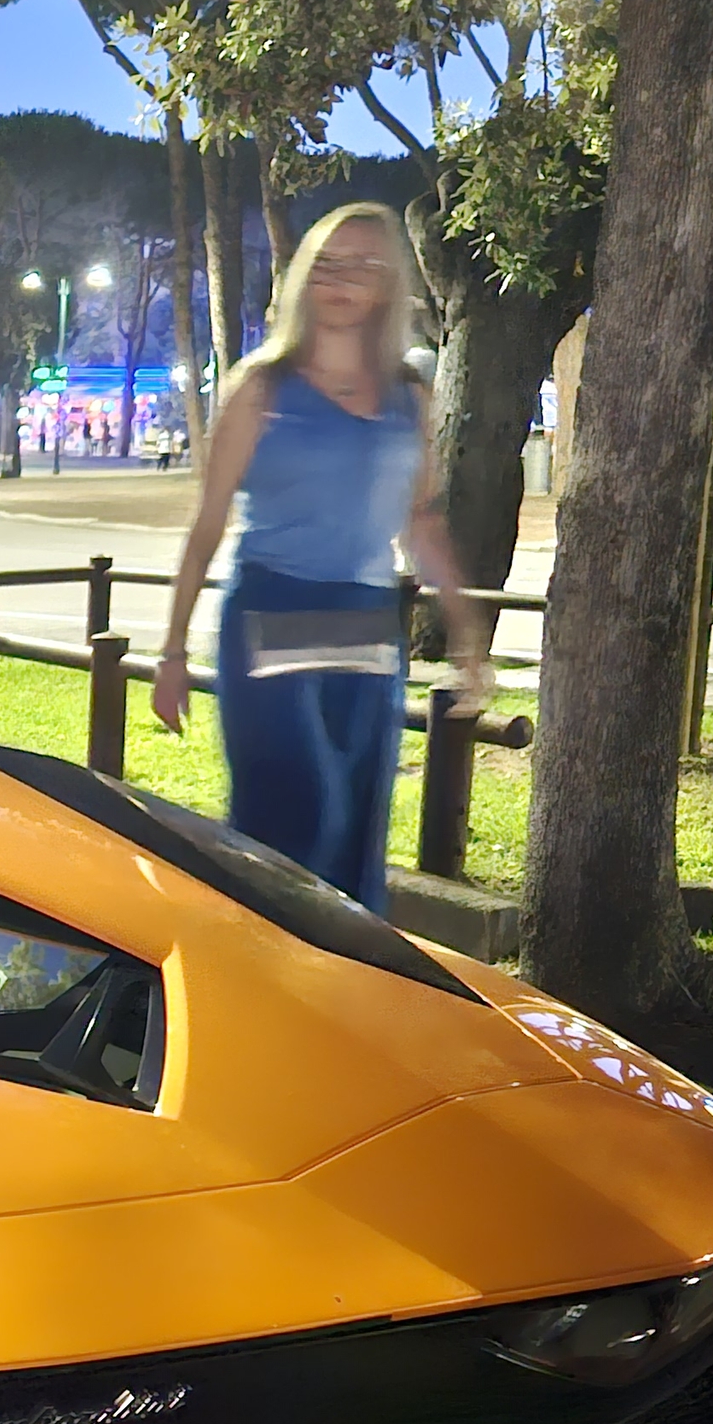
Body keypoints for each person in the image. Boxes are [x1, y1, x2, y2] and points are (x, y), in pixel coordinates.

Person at [150, 200, 490, 913]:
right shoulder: (262, 387)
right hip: (271, 609)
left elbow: (420, 520)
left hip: (366, 621)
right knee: (300, 822)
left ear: (387, 283)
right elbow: (209, 519)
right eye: (328, 264)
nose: (342, 280)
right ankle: (257, 983)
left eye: (363, 265)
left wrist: (466, 636)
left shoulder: (408, 395)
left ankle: (339, 1000)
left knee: (355, 841)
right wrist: (173, 651)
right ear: (304, 276)